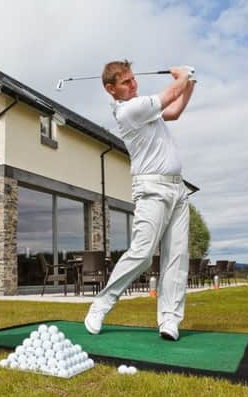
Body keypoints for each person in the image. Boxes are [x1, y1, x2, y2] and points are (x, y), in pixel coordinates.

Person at [84, 60, 196, 341]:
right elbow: (170, 95)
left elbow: (175, 111)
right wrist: (181, 77)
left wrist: (189, 84)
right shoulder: (129, 110)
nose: (133, 85)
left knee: (177, 256)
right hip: (151, 189)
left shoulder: (146, 111)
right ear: (111, 89)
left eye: (133, 79)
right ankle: (102, 303)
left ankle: (169, 319)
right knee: (143, 253)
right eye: (126, 82)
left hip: (177, 189)